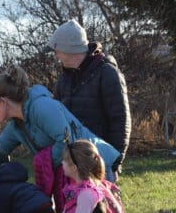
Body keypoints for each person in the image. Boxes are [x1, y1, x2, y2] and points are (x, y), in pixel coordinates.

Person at [0, 64, 121, 211]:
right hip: (74, 175)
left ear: (3, 101)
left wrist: (45, 163)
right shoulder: (17, 126)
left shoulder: (42, 107)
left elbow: (66, 140)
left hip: (94, 168)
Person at [47, 20, 131, 176]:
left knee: (101, 201)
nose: (56, 56)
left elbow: (120, 119)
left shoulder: (107, 73)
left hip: (100, 160)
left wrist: (114, 161)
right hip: (73, 164)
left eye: (57, 50)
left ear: (68, 49)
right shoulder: (64, 79)